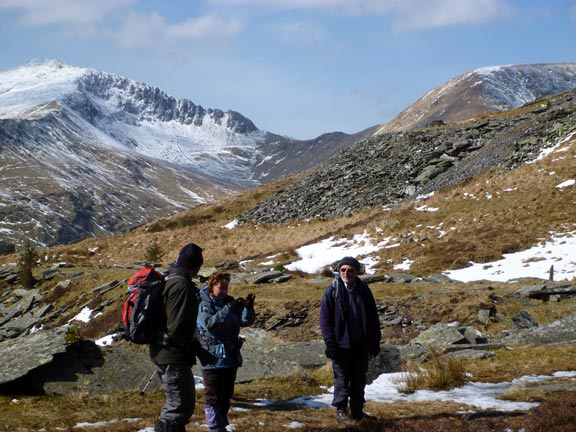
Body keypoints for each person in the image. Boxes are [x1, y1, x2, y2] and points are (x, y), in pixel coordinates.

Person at [319, 256, 381, 424]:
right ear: (339, 272)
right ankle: (341, 411)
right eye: (343, 270)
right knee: (341, 379)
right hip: (340, 345)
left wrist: (374, 342)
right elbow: (325, 320)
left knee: (359, 379)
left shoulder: (364, 290)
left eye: (350, 270)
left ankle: (357, 411)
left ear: (356, 272)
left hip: (360, 345)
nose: (346, 273)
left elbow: (373, 318)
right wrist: (330, 344)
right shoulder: (332, 290)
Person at [151, 242, 204, 432]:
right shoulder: (181, 286)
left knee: (177, 405)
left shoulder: (170, 279)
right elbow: (178, 327)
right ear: (196, 265)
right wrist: (195, 349)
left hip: (162, 352)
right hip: (173, 355)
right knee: (178, 408)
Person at [197, 271, 256, 432]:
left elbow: (244, 321)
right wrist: (228, 308)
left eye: (226, 287)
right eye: (220, 287)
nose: (224, 291)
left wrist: (248, 309)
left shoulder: (229, 301)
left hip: (230, 356)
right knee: (213, 395)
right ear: (212, 285)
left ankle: (221, 425)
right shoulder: (204, 303)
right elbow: (210, 324)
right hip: (212, 357)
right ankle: (215, 427)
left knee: (226, 394)